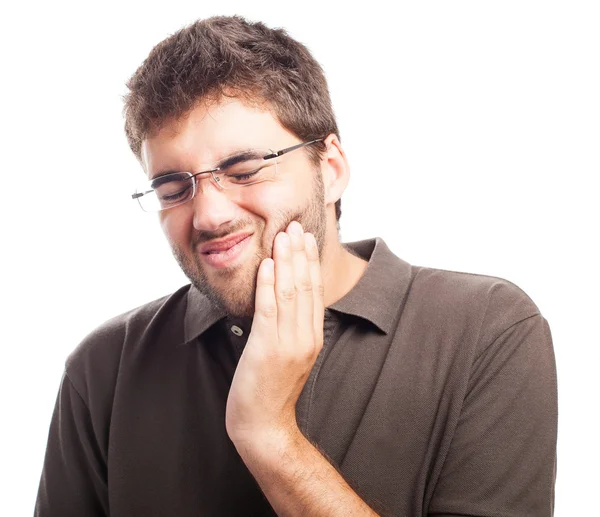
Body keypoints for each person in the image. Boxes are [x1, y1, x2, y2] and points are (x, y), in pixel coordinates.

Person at [34, 15, 557, 517]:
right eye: (174, 188)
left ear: (329, 169)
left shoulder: (487, 330)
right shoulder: (104, 366)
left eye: (244, 170)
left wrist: (269, 435)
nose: (209, 215)